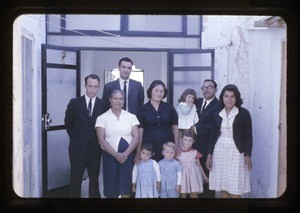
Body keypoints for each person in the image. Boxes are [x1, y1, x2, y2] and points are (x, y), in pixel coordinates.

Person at [206, 84, 253, 198]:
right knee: (224, 186)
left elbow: (248, 136)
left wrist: (247, 155)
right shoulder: (217, 113)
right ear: (222, 97)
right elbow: (212, 136)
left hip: (236, 153)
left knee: (235, 187)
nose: (229, 99)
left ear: (236, 98)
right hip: (220, 152)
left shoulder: (243, 113)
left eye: (232, 96)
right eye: (226, 96)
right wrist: (209, 155)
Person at [64, 74, 107, 198]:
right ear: (85, 86)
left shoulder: (103, 105)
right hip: (77, 148)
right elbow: (68, 124)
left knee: (94, 179)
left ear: (98, 87)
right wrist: (77, 138)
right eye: (90, 86)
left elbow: (104, 127)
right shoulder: (75, 103)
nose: (92, 89)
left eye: (95, 87)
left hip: (95, 149)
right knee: (75, 178)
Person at [95, 90, 140, 198]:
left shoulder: (131, 116)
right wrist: (116, 155)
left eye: (121, 99)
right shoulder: (102, 118)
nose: (118, 101)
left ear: (124, 101)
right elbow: (101, 140)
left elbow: (136, 136)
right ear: (110, 100)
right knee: (111, 183)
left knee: (126, 183)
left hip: (128, 156)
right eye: (115, 98)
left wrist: (125, 154)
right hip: (110, 155)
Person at [190, 79, 220, 198]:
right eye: (204, 87)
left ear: (215, 89)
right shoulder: (196, 102)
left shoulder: (219, 105)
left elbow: (214, 125)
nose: (206, 89)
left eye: (209, 87)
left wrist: (195, 129)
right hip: (191, 145)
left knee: (206, 176)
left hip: (208, 146)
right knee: (192, 175)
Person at [136, 80, 179, 162]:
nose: (159, 93)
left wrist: (176, 147)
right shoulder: (142, 109)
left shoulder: (169, 108)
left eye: (161, 91)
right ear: (150, 92)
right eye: (156, 90)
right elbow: (140, 132)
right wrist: (138, 152)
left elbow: (175, 129)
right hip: (149, 147)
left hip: (167, 148)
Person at [176, 130, 208, 198]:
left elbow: (199, 166)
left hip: (194, 176)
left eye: (190, 140)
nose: (187, 142)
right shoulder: (178, 152)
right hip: (183, 176)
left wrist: (205, 177)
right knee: (183, 193)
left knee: (194, 193)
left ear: (193, 141)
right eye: (185, 140)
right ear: (181, 140)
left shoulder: (195, 152)